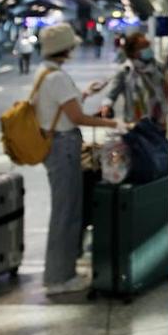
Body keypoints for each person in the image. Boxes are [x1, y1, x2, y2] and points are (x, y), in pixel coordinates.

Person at [30, 23, 123, 295]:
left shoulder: (45, 71)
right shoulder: (57, 77)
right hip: (63, 147)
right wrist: (114, 124)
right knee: (67, 212)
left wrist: (86, 93)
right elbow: (77, 117)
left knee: (66, 209)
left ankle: (61, 271)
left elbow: (63, 106)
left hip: (56, 145)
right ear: (66, 48)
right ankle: (59, 278)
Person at [99, 33, 168, 127]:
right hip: (135, 123)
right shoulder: (125, 71)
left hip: (160, 121)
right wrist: (106, 106)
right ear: (133, 52)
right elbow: (111, 94)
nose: (148, 49)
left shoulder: (157, 66)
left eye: (148, 46)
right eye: (143, 47)